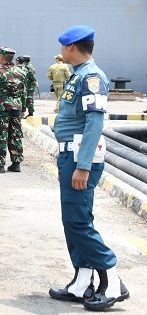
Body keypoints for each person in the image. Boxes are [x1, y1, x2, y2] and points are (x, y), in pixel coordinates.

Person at [48, 25, 129, 310]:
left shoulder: (91, 77)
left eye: (62, 46)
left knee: (79, 221)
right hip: (70, 157)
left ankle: (113, 280)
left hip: (81, 159)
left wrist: (82, 166)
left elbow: (94, 123)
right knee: (73, 219)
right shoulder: (78, 76)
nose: (61, 50)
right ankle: (82, 282)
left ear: (71, 47)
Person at [0, 47, 26, 173]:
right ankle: (16, 163)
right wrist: (23, 108)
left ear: (1, 57)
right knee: (15, 134)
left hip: (1, 108)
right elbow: (23, 92)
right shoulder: (21, 72)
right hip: (16, 107)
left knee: (1, 134)